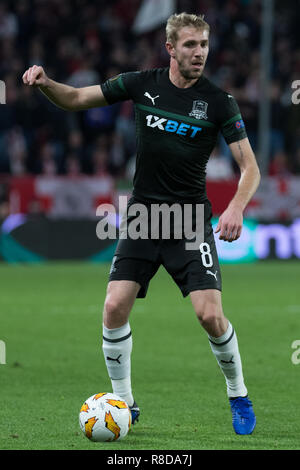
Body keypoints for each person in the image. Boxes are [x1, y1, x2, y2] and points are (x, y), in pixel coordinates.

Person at [23, 12, 261, 435]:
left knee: (210, 316)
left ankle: (238, 393)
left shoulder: (220, 102)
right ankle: (126, 404)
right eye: (190, 45)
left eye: (203, 45)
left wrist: (236, 207)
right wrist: (45, 84)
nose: (199, 53)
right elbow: (76, 99)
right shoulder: (140, 83)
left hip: (188, 220)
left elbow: (250, 168)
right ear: (170, 48)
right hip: (143, 217)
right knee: (114, 307)